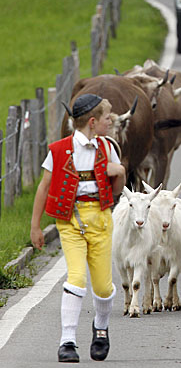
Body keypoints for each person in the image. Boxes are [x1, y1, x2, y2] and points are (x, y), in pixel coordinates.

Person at [30, 94, 126, 363]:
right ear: (93, 122)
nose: (111, 121)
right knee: (76, 277)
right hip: (70, 221)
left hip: (101, 218)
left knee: (104, 287)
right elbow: (44, 186)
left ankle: (101, 327)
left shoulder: (108, 147)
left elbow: (116, 189)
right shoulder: (59, 149)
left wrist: (119, 172)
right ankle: (67, 340)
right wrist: (35, 226)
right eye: (108, 117)